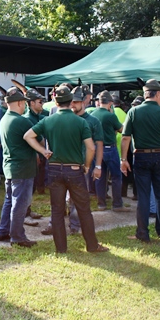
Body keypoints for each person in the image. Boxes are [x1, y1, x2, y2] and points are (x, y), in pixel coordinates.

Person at [25, 86, 109, 254]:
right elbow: (91, 148)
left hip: (54, 170)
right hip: (75, 170)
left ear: (55, 102)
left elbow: (28, 136)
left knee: (56, 211)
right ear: (71, 102)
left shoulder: (48, 120)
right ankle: (92, 246)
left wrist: (43, 151)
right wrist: (86, 165)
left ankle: (61, 249)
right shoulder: (81, 122)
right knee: (84, 209)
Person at [121, 79, 160, 243]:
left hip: (141, 156)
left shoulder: (134, 111)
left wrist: (123, 159)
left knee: (144, 196)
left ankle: (142, 233)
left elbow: (125, 138)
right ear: (158, 94)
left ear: (146, 94)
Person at [0, 87, 37, 247]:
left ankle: (3, 230)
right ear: (20, 102)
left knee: (9, 201)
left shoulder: (5, 118)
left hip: (10, 166)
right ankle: (17, 236)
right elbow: (36, 138)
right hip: (23, 168)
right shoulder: (21, 120)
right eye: (24, 103)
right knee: (20, 204)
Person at [90, 90, 129, 211]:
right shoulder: (110, 115)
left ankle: (101, 203)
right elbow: (122, 129)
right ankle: (117, 204)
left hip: (96, 149)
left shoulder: (92, 114)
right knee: (116, 176)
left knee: (100, 176)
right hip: (109, 149)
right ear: (110, 103)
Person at [22, 88, 46, 225]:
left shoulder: (37, 117)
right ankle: (24, 214)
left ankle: (28, 210)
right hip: (31, 158)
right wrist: (38, 152)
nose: (42, 104)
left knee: (33, 186)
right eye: (40, 101)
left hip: (38, 157)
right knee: (27, 187)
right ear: (31, 103)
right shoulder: (27, 119)